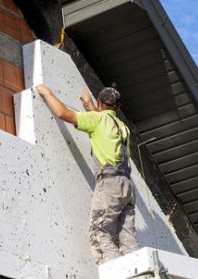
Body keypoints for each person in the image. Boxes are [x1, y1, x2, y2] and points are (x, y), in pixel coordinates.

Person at [35, 84, 139, 265]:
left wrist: (47, 92)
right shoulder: (122, 127)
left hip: (109, 185)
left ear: (100, 103)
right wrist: (90, 106)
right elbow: (103, 124)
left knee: (100, 234)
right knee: (127, 240)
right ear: (118, 107)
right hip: (127, 186)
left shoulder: (97, 121)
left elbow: (63, 114)